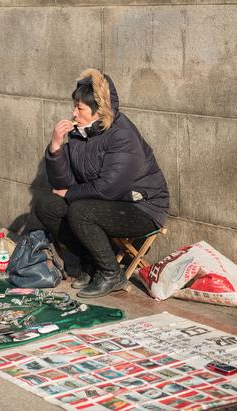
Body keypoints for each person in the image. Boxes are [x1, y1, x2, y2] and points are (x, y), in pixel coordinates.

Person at [35, 68, 169, 298]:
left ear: (98, 111)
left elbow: (107, 188)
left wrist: (69, 193)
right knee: (46, 205)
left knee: (79, 210)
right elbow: (63, 184)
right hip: (103, 203)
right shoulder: (80, 133)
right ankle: (91, 262)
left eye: (80, 108)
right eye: (74, 106)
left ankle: (111, 272)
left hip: (142, 207)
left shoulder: (122, 135)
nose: (74, 113)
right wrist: (56, 147)